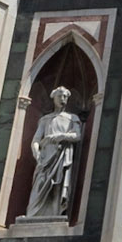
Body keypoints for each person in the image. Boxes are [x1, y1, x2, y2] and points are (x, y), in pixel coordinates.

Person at [25, 87, 82, 219]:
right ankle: (33, 214)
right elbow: (36, 140)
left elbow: (77, 135)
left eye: (65, 97)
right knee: (40, 182)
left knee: (58, 183)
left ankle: (55, 213)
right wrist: (36, 153)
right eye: (60, 96)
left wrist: (60, 136)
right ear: (54, 98)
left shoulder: (72, 118)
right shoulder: (45, 119)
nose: (62, 99)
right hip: (45, 156)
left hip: (62, 154)